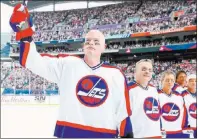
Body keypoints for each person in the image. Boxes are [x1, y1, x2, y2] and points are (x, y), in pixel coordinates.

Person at [9, 3, 133, 138]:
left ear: (104, 47)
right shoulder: (67, 64)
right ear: (83, 45)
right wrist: (24, 30)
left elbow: (123, 113)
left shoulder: (116, 74)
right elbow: (32, 60)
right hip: (69, 133)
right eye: (88, 41)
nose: (91, 43)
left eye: (96, 42)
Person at [128, 59, 161, 138]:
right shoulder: (128, 89)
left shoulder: (153, 89)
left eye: (150, 70)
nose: (147, 72)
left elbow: (157, 112)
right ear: (135, 72)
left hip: (156, 135)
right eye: (144, 69)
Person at [158, 71, 189, 138]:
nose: (170, 82)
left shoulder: (179, 96)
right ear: (162, 80)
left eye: (172, 80)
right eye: (167, 80)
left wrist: (184, 127)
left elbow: (184, 114)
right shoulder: (156, 95)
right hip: (162, 133)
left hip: (177, 131)